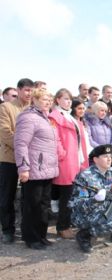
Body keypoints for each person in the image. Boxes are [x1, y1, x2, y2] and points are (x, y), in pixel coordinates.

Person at [70, 144, 112, 253]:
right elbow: (77, 204)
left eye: (110, 156)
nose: (109, 159)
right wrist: (95, 199)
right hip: (85, 214)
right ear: (95, 159)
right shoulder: (85, 176)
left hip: (103, 207)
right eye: (105, 156)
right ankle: (84, 235)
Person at [14, 88, 59, 250]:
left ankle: (41, 236)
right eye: (44, 99)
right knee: (32, 204)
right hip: (33, 169)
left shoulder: (47, 119)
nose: (47, 102)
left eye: (49, 99)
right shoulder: (28, 118)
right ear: (34, 100)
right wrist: (23, 168)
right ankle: (31, 238)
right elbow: (21, 144)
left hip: (48, 169)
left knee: (44, 204)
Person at [48, 89, 89, 239]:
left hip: (74, 159)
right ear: (57, 100)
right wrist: (62, 154)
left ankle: (67, 223)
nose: (68, 102)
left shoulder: (70, 117)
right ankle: (62, 226)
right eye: (65, 99)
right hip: (65, 160)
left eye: (70, 99)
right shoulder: (54, 117)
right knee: (66, 194)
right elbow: (55, 138)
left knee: (71, 194)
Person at [0, 78, 33, 244]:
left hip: (29, 161)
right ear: (19, 90)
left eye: (31, 90)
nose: (29, 93)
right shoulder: (6, 107)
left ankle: (25, 229)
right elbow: (5, 132)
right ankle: (7, 230)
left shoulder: (32, 109)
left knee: (28, 197)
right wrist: (22, 147)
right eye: (26, 90)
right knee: (7, 196)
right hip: (9, 159)